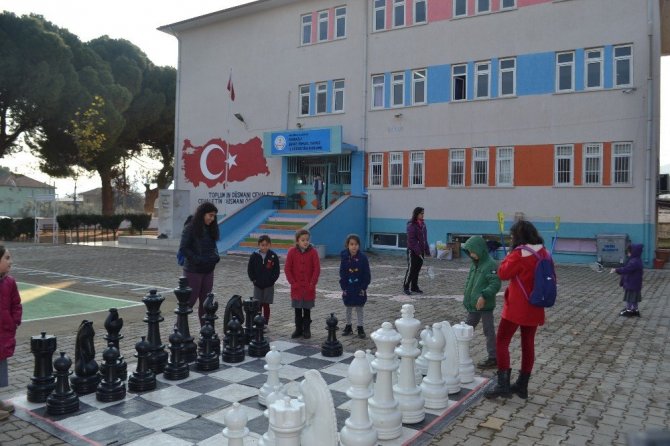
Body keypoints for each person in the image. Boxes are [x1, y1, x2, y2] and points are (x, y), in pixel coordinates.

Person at [485, 220, 547, 400]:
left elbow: (503, 273)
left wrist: (509, 256)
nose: (511, 239)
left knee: (502, 341)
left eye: (512, 236)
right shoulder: (543, 252)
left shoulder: (519, 253)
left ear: (519, 236)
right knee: (528, 343)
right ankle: (522, 385)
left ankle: (503, 385)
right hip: (535, 305)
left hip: (517, 307)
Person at [462, 236, 501, 369]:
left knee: (488, 331)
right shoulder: (475, 263)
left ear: (480, 249)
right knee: (466, 329)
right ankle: (458, 351)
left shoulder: (490, 264)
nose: (471, 255)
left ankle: (493, 358)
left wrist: (484, 296)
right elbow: (469, 281)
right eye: (469, 252)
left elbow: (495, 284)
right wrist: (467, 297)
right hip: (474, 305)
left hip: (485, 306)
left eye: (473, 252)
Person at [179, 202, 220, 326]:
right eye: (210, 215)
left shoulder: (211, 228)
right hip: (193, 271)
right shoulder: (190, 227)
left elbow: (213, 247)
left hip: (208, 270)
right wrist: (197, 260)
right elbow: (184, 248)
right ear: (202, 214)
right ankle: (179, 329)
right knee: (189, 302)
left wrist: (215, 257)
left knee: (206, 303)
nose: (212, 219)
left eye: (214, 216)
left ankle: (206, 330)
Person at [284, 229, 321, 339]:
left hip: (309, 287)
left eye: (307, 240)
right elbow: (287, 268)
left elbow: (317, 269)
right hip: (297, 287)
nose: (305, 242)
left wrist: (312, 283)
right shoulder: (292, 252)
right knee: (297, 310)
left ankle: (307, 329)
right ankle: (298, 329)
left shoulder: (313, 252)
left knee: (307, 310)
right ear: (297, 241)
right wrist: (293, 282)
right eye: (303, 240)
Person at [0, 246, 22, 421]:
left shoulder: (10, 282)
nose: (11, 261)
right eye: (6, 258)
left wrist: (14, 321)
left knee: (0, 367)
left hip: (4, 333)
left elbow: (16, 304)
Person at [339, 234, 371, 339]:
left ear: (359, 245)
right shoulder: (344, 257)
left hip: (359, 286)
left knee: (359, 307)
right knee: (348, 307)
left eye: (356, 244)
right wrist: (344, 286)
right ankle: (348, 326)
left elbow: (366, 273)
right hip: (348, 287)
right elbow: (342, 272)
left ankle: (360, 327)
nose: (354, 246)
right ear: (347, 245)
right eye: (351, 244)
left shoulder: (363, 258)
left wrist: (363, 287)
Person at [247, 235, 281, 330]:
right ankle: (257, 322)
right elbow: (250, 269)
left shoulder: (273, 256)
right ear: (259, 245)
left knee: (266, 304)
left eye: (266, 245)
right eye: (262, 245)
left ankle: (265, 323)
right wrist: (253, 279)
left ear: (269, 245)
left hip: (268, 285)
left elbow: (276, 270)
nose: (264, 247)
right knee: (258, 304)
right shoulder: (254, 256)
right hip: (257, 285)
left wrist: (272, 280)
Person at [611, 244, 644, 317]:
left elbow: (626, 269)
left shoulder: (634, 262)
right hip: (635, 284)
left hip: (632, 284)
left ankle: (629, 311)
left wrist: (616, 270)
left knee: (630, 298)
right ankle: (635, 310)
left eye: (629, 252)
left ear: (633, 252)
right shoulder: (636, 260)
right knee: (634, 298)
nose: (628, 253)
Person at [403, 207, 430, 295]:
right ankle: (406, 287)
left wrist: (427, 250)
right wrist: (417, 251)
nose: (423, 215)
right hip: (412, 251)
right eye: (421, 213)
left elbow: (424, 239)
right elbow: (412, 240)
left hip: (421, 251)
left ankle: (414, 287)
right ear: (416, 214)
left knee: (417, 269)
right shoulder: (411, 225)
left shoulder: (423, 225)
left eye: (423, 213)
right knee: (411, 269)